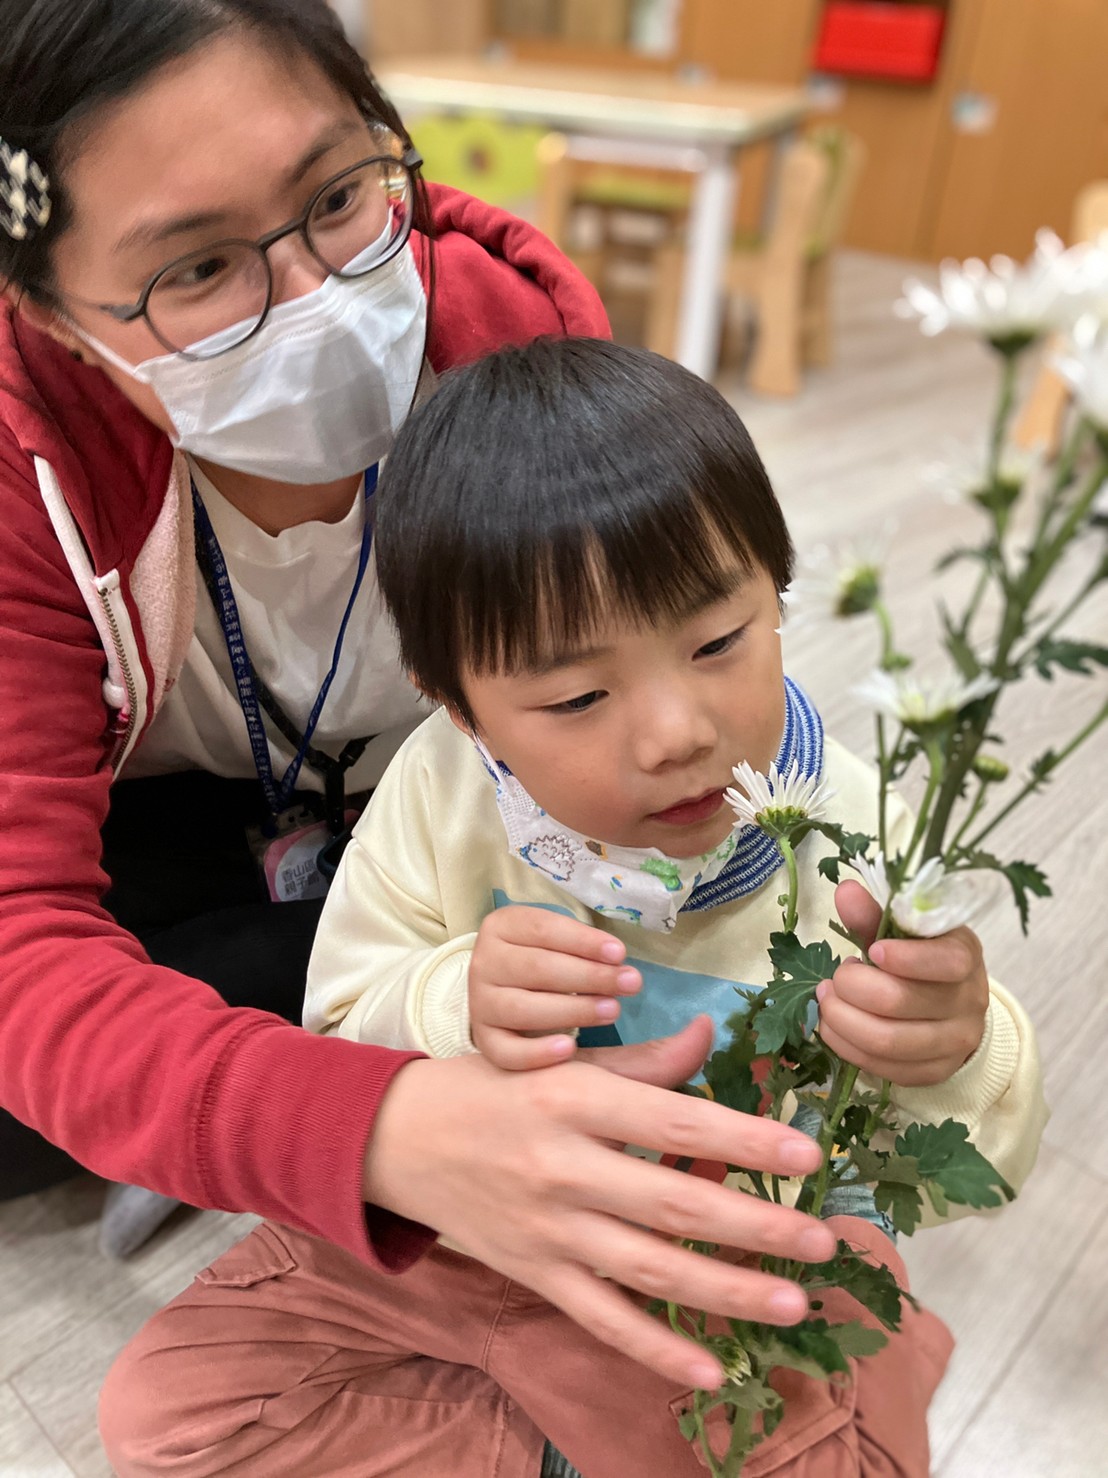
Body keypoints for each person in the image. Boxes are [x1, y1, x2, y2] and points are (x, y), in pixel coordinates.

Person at [0, 0, 846, 1395]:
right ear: (45, 307)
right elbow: (26, 942)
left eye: (339, 195)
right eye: (198, 266)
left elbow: (681, 692)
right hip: (165, 817)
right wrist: (374, 1124)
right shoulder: (30, 464)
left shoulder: (508, 336)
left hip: (456, 797)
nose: (316, 298)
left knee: (597, 954)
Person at [98, 340, 1043, 1476]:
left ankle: (689, 1400)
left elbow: (977, 1151)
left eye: (718, 641)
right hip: (456, 1230)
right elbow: (337, 1029)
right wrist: (450, 998)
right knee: (164, 1413)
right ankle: (557, 1427)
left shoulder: (851, 830)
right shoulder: (439, 791)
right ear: (459, 708)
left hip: (719, 1260)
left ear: (776, 588)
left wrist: (953, 1042)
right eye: (578, 695)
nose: (674, 731)